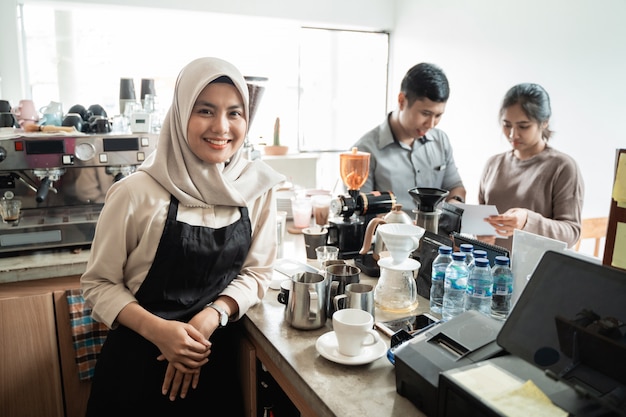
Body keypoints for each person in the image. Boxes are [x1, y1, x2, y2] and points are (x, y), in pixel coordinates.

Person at [80, 57, 285, 416]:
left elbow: (257, 273)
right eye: (205, 110)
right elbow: (98, 284)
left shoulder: (256, 187)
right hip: (137, 368)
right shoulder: (135, 192)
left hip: (212, 361)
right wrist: (163, 333)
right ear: (180, 114)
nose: (221, 127)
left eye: (235, 113)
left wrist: (210, 317)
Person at [478, 83, 584, 251]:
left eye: (523, 126)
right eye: (507, 125)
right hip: (488, 270)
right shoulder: (493, 164)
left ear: (544, 123)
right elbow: (482, 223)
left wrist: (528, 221)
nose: (513, 134)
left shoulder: (563, 167)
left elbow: (571, 233)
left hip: (536, 273)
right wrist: (480, 236)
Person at [352, 62, 466, 213]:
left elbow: (455, 187)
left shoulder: (441, 140)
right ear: (401, 101)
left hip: (437, 235)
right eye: (425, 113)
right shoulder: (365, 151)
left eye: (438, 115)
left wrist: (454, 203)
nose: (431, 124)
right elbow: (360, 212)